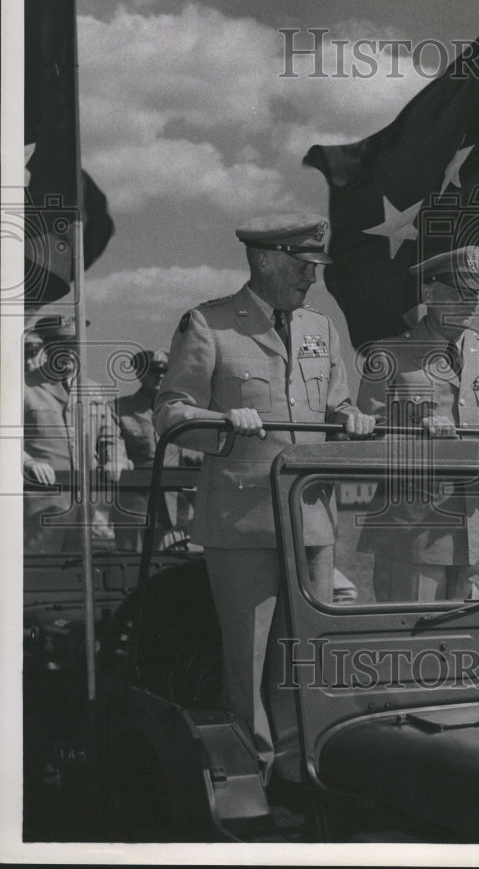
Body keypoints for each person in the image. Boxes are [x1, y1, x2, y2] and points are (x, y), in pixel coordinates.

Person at [154, 211, 374, 783]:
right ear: (268, 261)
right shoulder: (210, 325)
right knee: (246, 661)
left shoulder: (322, 330)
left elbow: (335, 404)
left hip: (313, 523)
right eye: (304, 267)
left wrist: (351, 419)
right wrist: (224, 422)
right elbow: (171, 412)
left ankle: (306, 769)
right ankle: (256, 775)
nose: (312, 280)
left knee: (309, 652)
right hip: (242, 520)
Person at [357, 245, 479, 602]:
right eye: (457, 292)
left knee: (473, 648)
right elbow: (365, 442)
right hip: (413, 535)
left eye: (473, 294)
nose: (468, 302)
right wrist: (414, 427)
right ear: (428, 293)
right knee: (412, 647)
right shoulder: (388, 356)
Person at [23, 316, 128, 553]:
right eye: (61, 345)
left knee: (78, 575)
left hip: (85, 507)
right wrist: (27, 461)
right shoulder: (24, 387)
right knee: (42, 579)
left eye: (74, 345)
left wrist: (116, 458)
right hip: (39, 505)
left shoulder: (92, 390)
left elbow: (110, 435)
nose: (69, 352)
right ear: (48, 348)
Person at [104, 349, 201, 551]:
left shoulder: (183, 410)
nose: (160, 376)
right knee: (131, 567)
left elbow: (197, 452)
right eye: (153, 371)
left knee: (175, 568)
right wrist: (116, 460)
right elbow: (112, 442)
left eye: (165, 371)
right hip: (136, 503)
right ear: (139, 374)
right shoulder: (119, 408)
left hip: (177, 503)